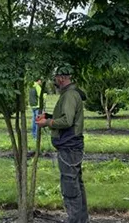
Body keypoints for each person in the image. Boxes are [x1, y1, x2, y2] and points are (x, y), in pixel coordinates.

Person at [36, 65, 88, 223]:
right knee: (76, 184)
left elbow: (67, 121)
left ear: (62, 78)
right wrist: (50, 116)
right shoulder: (69, 94)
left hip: (69, 147)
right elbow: (66, 116)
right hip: (71, 147)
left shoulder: (70, 95)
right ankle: (81, 220)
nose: (54, 82)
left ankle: (75, 220)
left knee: (70, 187)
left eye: (55, 79)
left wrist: (47, 122)